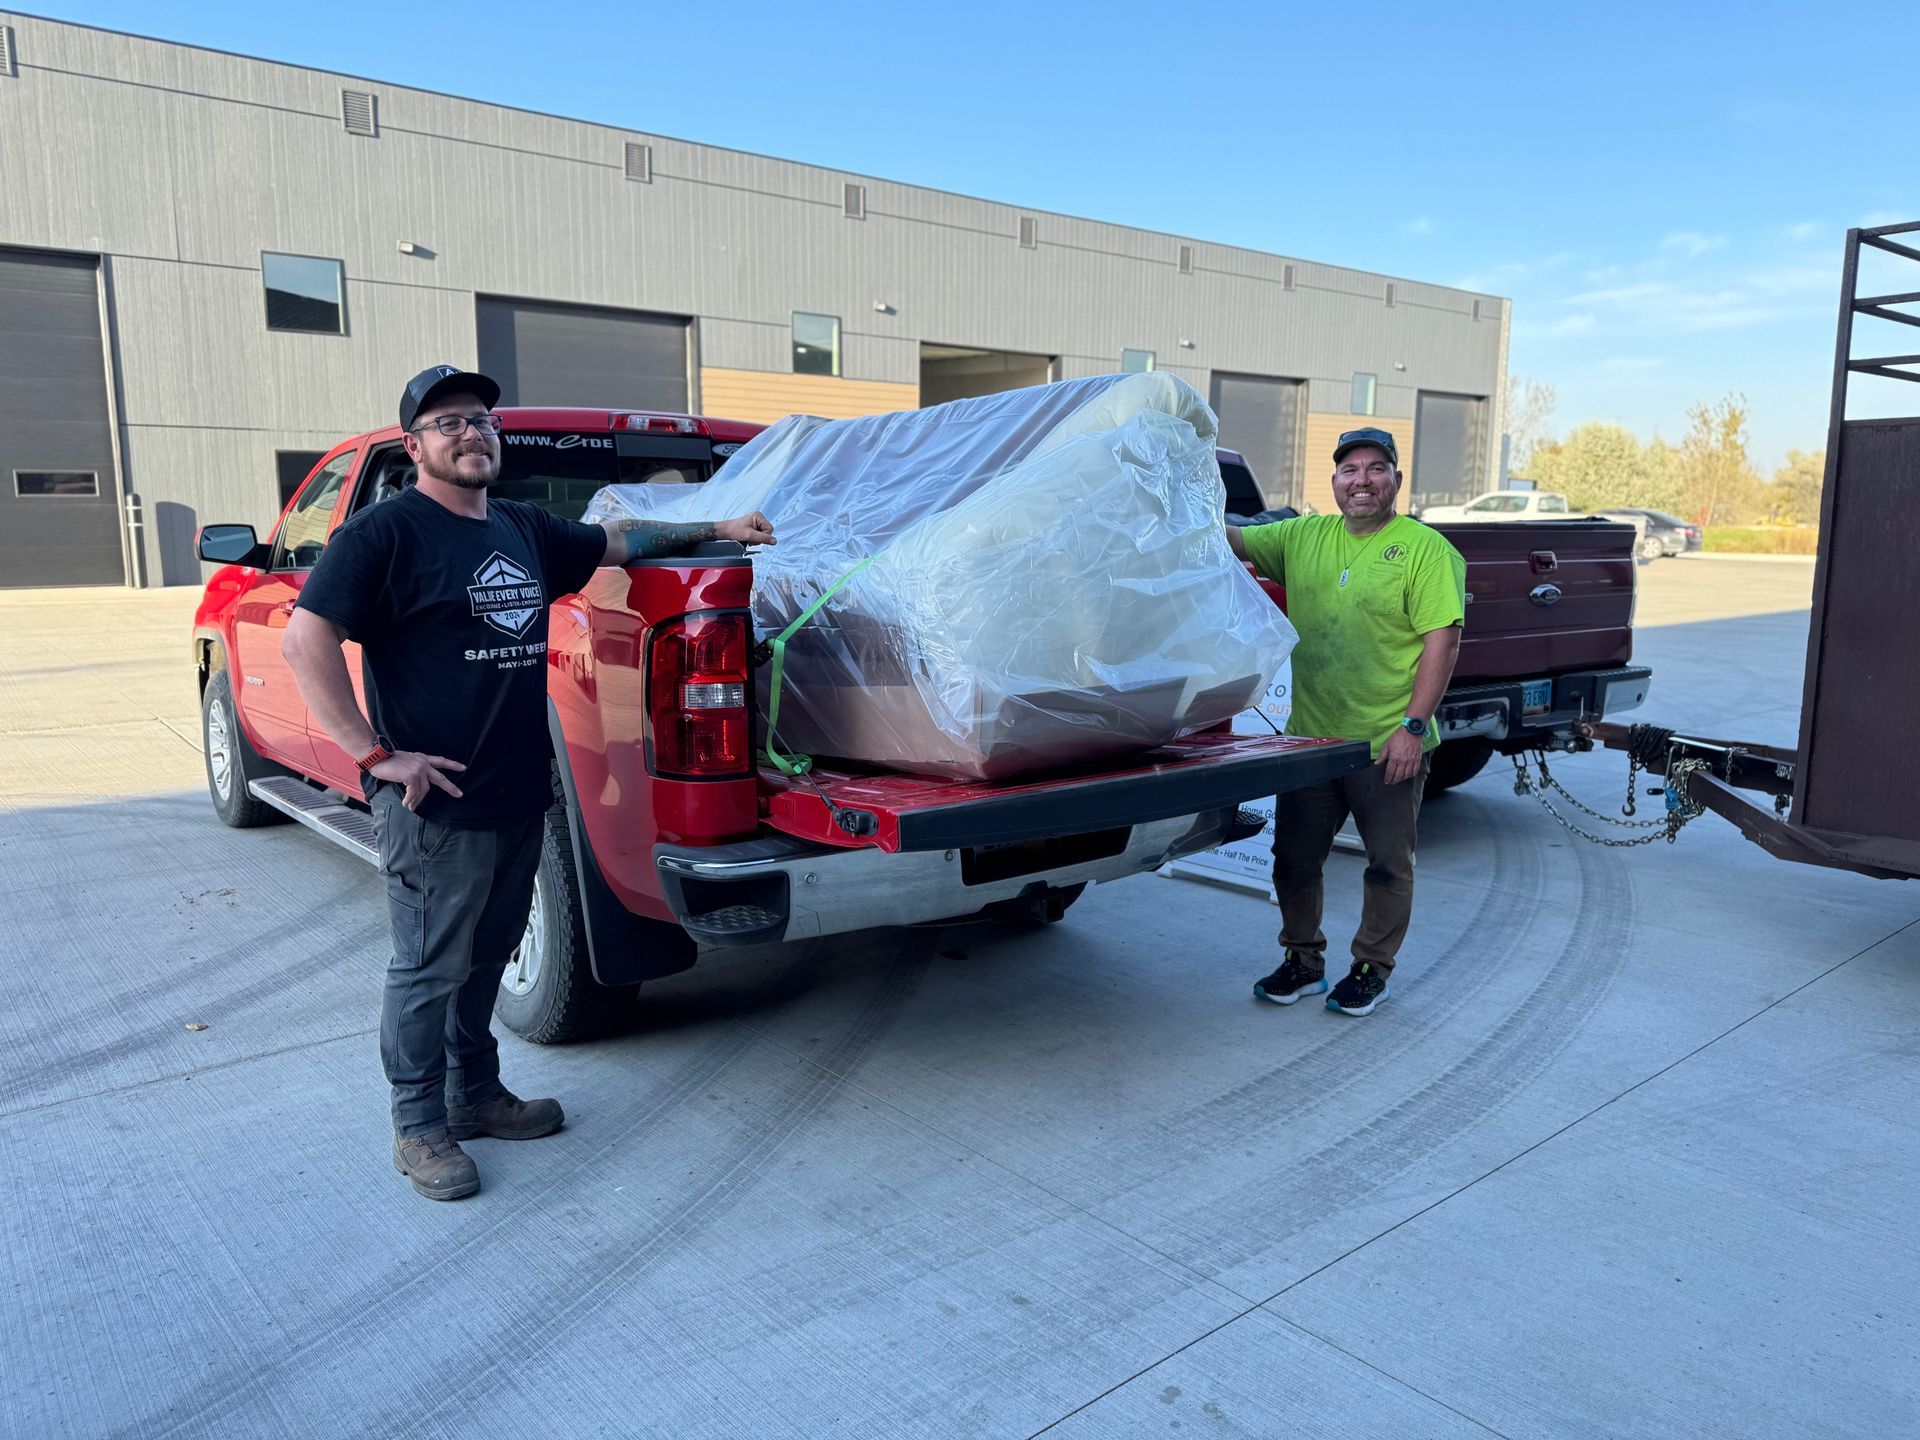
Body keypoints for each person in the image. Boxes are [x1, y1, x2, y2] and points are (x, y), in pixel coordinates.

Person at [283, 365, 775, 1200]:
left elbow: (624, 542)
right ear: (416, 447)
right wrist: (374, 757)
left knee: (482, 962)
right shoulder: (385, 535)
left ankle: (475, 1095)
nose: (469, 434)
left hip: (519, 793)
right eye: (447, 424)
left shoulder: (520, 527)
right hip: (433, 802)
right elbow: (306, 640)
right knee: (429, 968)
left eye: (479, 421)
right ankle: (418, 1126)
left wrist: (719, 523)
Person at [1225, 427, 1464, 1017]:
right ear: (1333, 482)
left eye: (1376, 469)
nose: (1362, 481)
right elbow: (1229, 540)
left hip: (1388, 742)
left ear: (1395, 481)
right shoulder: (1303, 536)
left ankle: (1371, 966)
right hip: (1313, 739)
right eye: (1349, 470)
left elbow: (1444, 641)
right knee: (1294, 858)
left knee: (1386, 862)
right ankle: (1302, 959)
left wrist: (1412, 728)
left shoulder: (1426, 550)